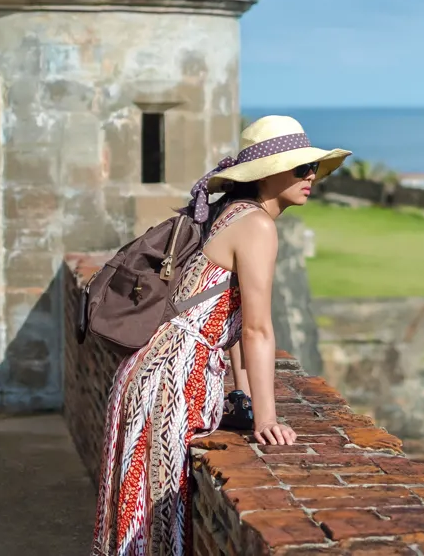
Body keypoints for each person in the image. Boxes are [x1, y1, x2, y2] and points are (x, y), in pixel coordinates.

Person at [91, 115, 350, 556]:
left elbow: (226, 328)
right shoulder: (257, 226)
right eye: (300, 168)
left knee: (142, 525)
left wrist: (244, 397)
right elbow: (256, 329)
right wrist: (267, 418)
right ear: (268, 173)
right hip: (173, 381)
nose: (311, 177)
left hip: (151, 374)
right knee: (157, 525)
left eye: (312, 168)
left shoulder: (230, 213)